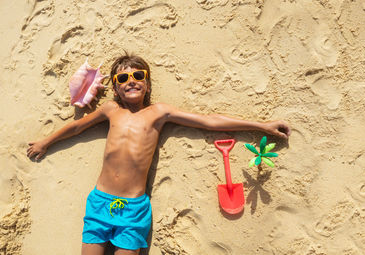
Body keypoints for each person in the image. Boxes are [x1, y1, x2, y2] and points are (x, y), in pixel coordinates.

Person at [27, 53, 291, 255]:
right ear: (117, 89)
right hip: (100, 202)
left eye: (138, 76)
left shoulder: (159, 113)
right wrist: (46, 142)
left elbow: (209, 121)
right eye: (122, 78)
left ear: (148, 84)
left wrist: (261, 125)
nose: (131, 81)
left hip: (133, 208)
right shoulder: (110, 110)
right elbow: (77, 126)